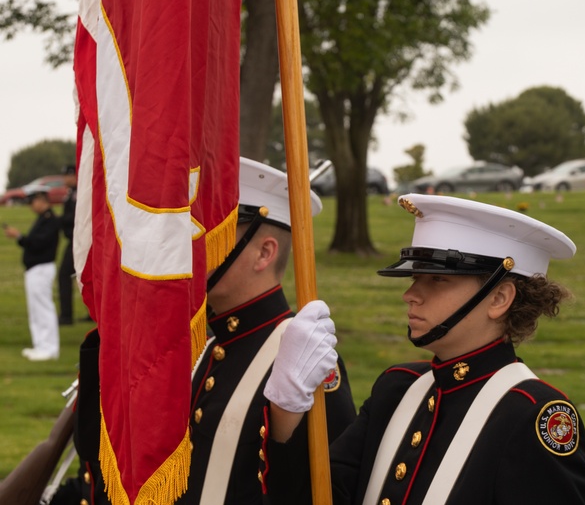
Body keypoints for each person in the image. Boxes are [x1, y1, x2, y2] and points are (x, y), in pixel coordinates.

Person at [50, 158, 357, 505]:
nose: (192, 247)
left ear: (264, 253)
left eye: (213, 233)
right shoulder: (201, 346)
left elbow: (325, 491)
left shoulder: (303, 359)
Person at [260, 194, 585, 504]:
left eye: (437, 280)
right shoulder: (397, 388)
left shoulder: (530, 414)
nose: (411, 294)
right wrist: (286, 408)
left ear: (499, 298)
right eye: (415, 278)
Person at [4, 184, 61, 361]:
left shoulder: (51, 219)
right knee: (35, 310)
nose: (30, 206)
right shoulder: (42, 219)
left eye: (32, 201)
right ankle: (40, 345)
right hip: (34, 269)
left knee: (43, 308)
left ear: (42, 200)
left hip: (42, 268)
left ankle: (50, 348)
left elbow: (38, 243)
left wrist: (20, 236)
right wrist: (20, 238)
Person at [57, 164, 77, 325]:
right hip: (73, 240)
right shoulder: (71, 193)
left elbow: (75, 217)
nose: (65, 179)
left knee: (64, 275)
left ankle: (66, 315)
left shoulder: (78, 193)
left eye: (67, 176)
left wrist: (58, 221)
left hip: (77, 242)